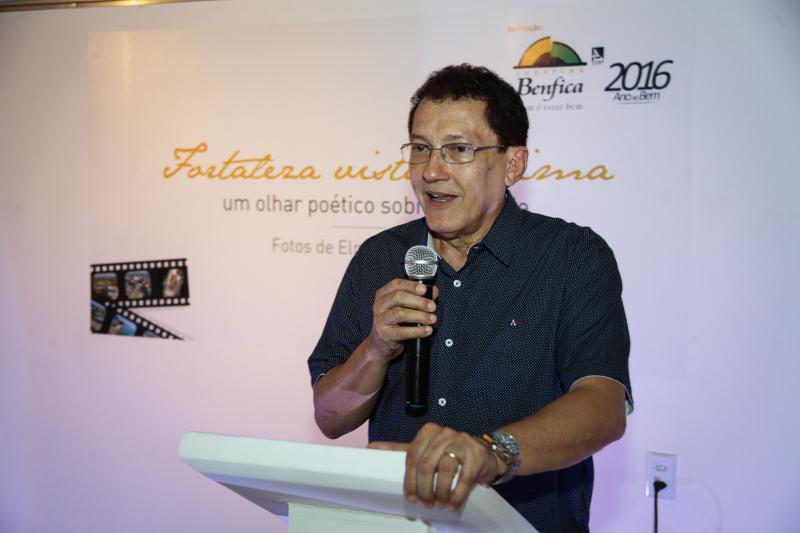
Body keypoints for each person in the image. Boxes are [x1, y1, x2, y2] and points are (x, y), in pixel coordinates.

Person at [308, 64, 632, 533]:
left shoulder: (572, 256)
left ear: (512, 164)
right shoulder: (380, 257)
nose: (431, 171)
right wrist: (376, 349)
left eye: (458, 149)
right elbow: (330, 417)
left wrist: (492, 452)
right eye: (421, 148)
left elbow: (603, 407)